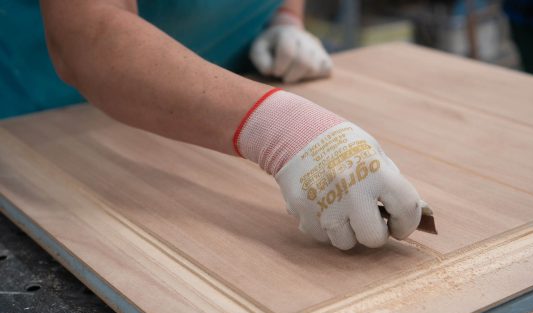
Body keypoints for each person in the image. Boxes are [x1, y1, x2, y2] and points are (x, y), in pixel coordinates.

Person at [1, 0, 426, 250]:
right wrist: (282, 129)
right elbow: (88, 39)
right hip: (62, 115)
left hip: (235, 91)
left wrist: (285, 19)